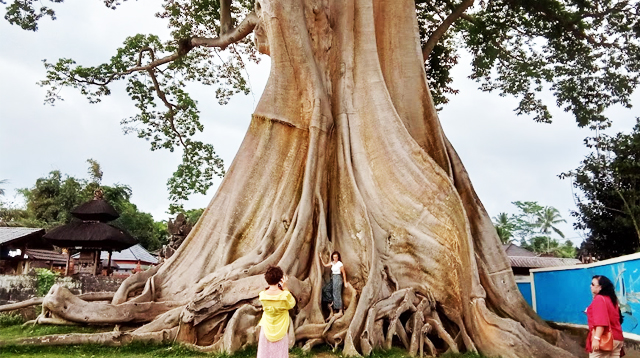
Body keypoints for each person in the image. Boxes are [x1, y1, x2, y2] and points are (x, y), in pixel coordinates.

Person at [257, 266, 296, 358]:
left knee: (265, 353)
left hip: (266, 328)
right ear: (280, 279)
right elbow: (292, 304)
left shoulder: (262, 296)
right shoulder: (285, 295)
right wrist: (285, 288)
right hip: (281, 329)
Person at [586, 275, 625, 357]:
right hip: (617, 338)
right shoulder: (612, 300)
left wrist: (596, 339)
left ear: (600, 287)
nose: (590, 286)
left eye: (593, 284)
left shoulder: (599, 299)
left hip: (605, 338)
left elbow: (601, 322)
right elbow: (617, 319)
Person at [320, 251, 349, 318]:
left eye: (336, 257)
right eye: (333, 257)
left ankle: (340, 311)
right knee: (325, 289)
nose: (335, 258)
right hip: (333, 278)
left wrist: (345, 282)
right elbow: (325, 265)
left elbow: (343, 273)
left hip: (338, 278)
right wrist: (321, 258)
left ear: (338, 257)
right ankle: (332, 300)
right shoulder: (333, 263)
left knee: (337, 293)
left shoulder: (340, 264)